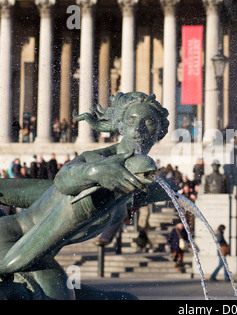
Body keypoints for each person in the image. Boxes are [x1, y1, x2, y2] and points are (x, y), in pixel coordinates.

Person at [0, 92, 175, 299]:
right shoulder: (96, 159)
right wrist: (95, 172)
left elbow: (43, 193)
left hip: (41, 253)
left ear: (161, 131)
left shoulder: (136, 181)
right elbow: (62, 180)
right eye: (131, 120)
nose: (138, 129)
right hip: (13, 243)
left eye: (149, 122)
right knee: (58, 292)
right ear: (120, 125)